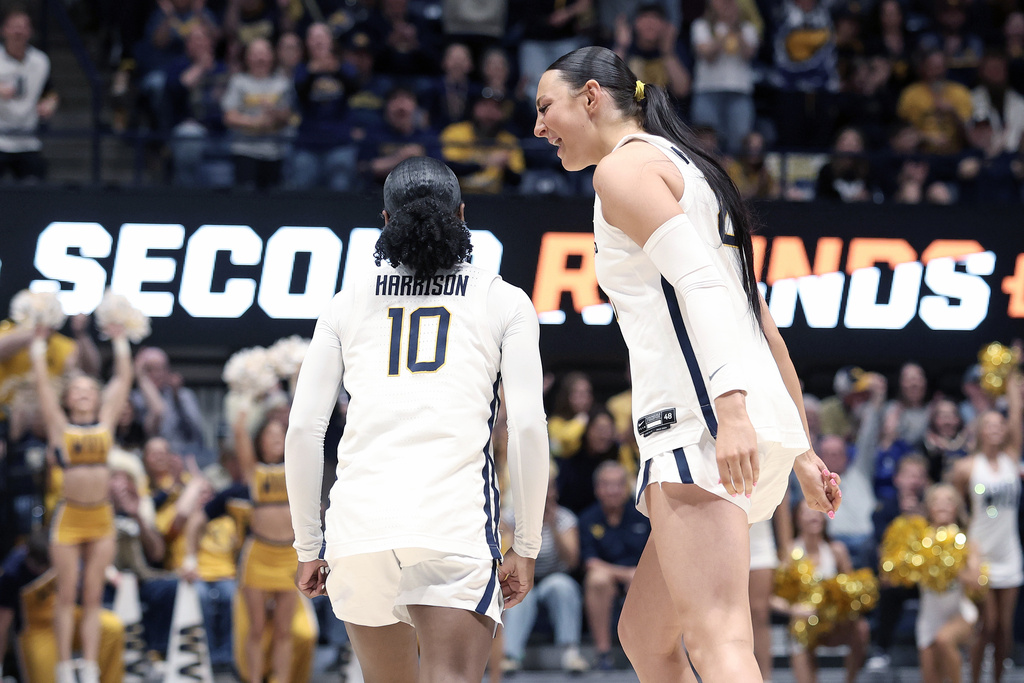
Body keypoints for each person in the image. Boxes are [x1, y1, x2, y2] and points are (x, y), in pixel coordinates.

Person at [533, 46, 840, 681]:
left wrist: (730, 415)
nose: (538, 127)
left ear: (591, 97)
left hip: (698, 417)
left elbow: (703, 289)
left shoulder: (621, 170)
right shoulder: (689, 167)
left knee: (720, 636)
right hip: (737, 414)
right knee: (645, 636)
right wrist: (801, 447)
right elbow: (755, 316)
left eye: (545, 107)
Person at [285, 156, 549, 683]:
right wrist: (527, 545)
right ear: (463, 215)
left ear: (385, 221)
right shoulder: (503, 300)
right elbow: (526, 429)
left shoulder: (346, 302)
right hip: (451, 524)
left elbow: (303, 431)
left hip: (359, 527)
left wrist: (308, 543)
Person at [30, 324, 132, 683]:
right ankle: (62, 668)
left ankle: (88, 668)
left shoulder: (106, 425)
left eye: (91, 388)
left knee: (92, 594)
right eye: (78, 389)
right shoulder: (60, 427)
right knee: (66, 592)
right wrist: (39, 345)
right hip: (69, 517)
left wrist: (120, 338)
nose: (85, 393)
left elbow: (123, 377)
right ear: (68, 398)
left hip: (101, 517)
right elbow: (43, 387)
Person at [951, 363, 1023, 683]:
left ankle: (998, 678)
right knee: (987, 624)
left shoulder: (1011, 458)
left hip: (1009, 551)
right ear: (980, 430)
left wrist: (1011, 377)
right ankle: (976, 677)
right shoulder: (967, 467)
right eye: (989, 425)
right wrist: (964, 539)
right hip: (981, 553)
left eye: (1000, 424)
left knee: (1004, 629)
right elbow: (952, 506)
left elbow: (1018, 413)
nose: (995, 429)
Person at [500, 469, 587, 673]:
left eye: (549, 489)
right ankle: (511, 656)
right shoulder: (511, 517)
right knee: (520, 593)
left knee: (562, 587)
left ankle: (570, 654)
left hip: (553, 577)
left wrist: (551, 525)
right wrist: (524, 525)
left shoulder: (565, 518)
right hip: (521, 577)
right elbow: (508, 556)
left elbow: (572, 561)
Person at [785, 500, 870, 683]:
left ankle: (850, 679)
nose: (813, 516)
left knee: (861, 628)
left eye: (816, 511)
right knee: (798, 626)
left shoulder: (836, 550)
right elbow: (772, 597)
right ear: (797, 518)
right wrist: (794, 609)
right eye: (806, 512)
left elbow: (851, 587)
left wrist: (841, 600)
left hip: (834, 621)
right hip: (806, 622)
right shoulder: (790, 552)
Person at [579, 461, 650, 670]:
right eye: (606, 485)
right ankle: (603, 653)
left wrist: (638, 574)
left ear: (626, 487)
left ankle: (646, 652)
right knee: (597, 580)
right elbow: (590, 562)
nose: (613, 490)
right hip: (610, 576)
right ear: (597, 489)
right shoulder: (587, 519)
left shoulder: (644, 513)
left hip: (643, 574)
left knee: (649, 581)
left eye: (618, 484)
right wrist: (626, 574)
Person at [916, 483, 981, 683]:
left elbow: (978, 582)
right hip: (929, 615)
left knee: (945, 640)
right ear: (928, 507)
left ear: (957, 507)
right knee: (930, 677)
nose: (943, 505)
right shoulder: (918, 540)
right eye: (936, 500)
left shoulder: (967, 541)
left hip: (960, 612)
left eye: (949, 500)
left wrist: (951, 567)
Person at [0, 8, 59, 182]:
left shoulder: (40, 61)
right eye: (14, 27)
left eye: (23, 27)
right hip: (0, 139)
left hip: (27, 140)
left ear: (30, 32)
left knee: (35, 190)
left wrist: (49, 104)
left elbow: (51, 93)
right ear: (4, 30)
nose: (18, 32)